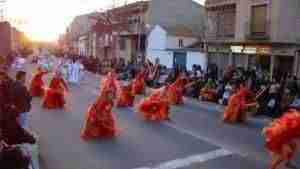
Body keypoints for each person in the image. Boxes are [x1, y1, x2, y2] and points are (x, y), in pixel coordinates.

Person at [0, 71, 36, 146]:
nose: (25, 79)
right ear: (22, 77)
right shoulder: (22, 87)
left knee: (18, 125)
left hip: (14, 111)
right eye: (24, 77)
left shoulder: (12, 84)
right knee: (22, 125)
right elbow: (28, 98)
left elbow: (10, 97)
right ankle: (24, 144)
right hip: (21, 110)